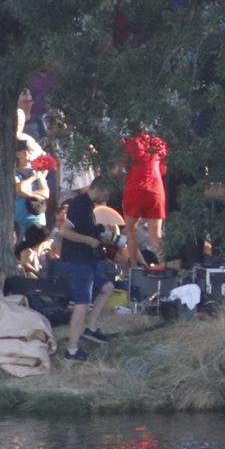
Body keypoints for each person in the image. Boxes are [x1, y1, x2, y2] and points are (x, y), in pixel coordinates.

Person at [53, 173, 116, 360]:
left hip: (88, 259)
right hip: (76, 260)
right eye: (105, 195)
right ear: (97, 189)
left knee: (107, 288)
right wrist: (88, 240)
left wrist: (100, 233)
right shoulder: (79, 204)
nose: (106, 199)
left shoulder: (89, 206)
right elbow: (65, 231)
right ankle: (72, 350)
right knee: (82, 303)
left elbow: (85, 228)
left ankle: (91, 328)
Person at [120, 126, 170, 262]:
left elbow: (120, 167)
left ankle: (135, 268)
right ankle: (163, 264)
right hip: (156, 190)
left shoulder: (127, 143)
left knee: (131, 231)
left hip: (135, 188)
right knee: (156, 236)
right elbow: (163, 170)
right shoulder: (158, 143)